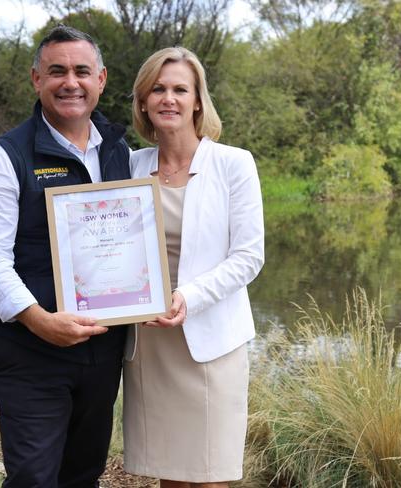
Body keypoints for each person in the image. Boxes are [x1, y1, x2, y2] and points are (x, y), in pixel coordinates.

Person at [0, 25, 131, 488]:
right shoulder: (5, 157)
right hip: (28, 349)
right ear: (37, 79)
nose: (70, 82)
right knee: (35, 477)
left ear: (102, 79)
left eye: (81, 71)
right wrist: (38, 320)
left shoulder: (121, 153)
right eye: (57, 71)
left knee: (82, 474)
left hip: (101, 350)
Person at [123, 47, 265, 488]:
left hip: (211, 342)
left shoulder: (233, 164)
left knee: (210, 477)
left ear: (198, 100)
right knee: (172, 476)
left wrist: (188, 296)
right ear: (143, 101)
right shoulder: (130, 166)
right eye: (158, 89)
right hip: (151, 341)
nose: (169, 98)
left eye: (180, 89)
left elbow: (248, 257)